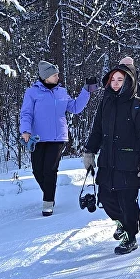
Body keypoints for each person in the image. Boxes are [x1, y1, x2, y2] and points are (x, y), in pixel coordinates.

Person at [83, 63, 140, 255]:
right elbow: (97, 129)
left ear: (129, 82)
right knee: (106, 199)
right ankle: (122, 224)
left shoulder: (138, 105)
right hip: (108, 161)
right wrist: (89, 151)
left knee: (127, 201)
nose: (115, 84)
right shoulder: (105, 102)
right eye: (112, 79)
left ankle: (130, 237)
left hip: (129, 163)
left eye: (120, 80)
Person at [20, 61, 97, 216]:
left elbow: (75, 108)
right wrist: (25, 130)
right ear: (46, 76)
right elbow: (26, 113)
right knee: (37, 171)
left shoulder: (61, 92)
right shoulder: (32, 92)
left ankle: (48, 201)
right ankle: (49, 193)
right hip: (37, 137)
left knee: (50, 169)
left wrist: (86, 91)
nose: (58, 77)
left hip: (57, 138)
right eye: (55, 75)